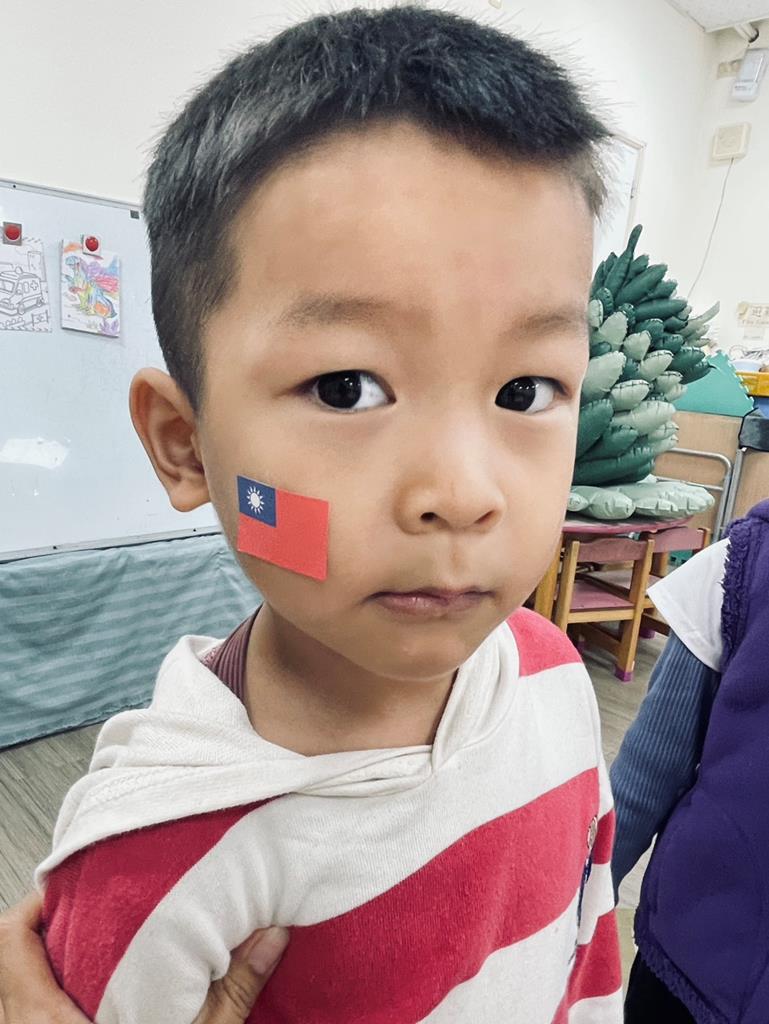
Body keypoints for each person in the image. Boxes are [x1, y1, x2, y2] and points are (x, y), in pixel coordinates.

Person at [1, 6, 622, 1022]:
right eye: (346, 388)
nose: (462, 493)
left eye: (524, 391)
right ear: (186, 446)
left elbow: (585, 952)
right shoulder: (152, 867)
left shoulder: (552, 674)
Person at [611, 498, 769, 1023]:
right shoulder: (741, 565)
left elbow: (643, 781)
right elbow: (644, 779)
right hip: (698, 954)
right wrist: (573, 912)